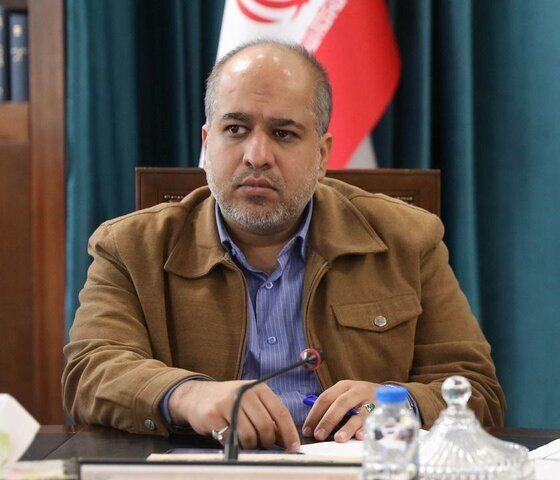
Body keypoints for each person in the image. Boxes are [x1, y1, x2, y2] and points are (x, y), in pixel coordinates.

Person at [62, 40, 506, 452]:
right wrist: (186, 394)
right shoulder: (130, 247)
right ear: (207, 143)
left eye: (284, 133)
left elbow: (476, 389)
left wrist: (398, 404)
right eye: (236, 128)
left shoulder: (407, 238)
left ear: (323, 154)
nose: (257, 155)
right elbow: (89, 372)